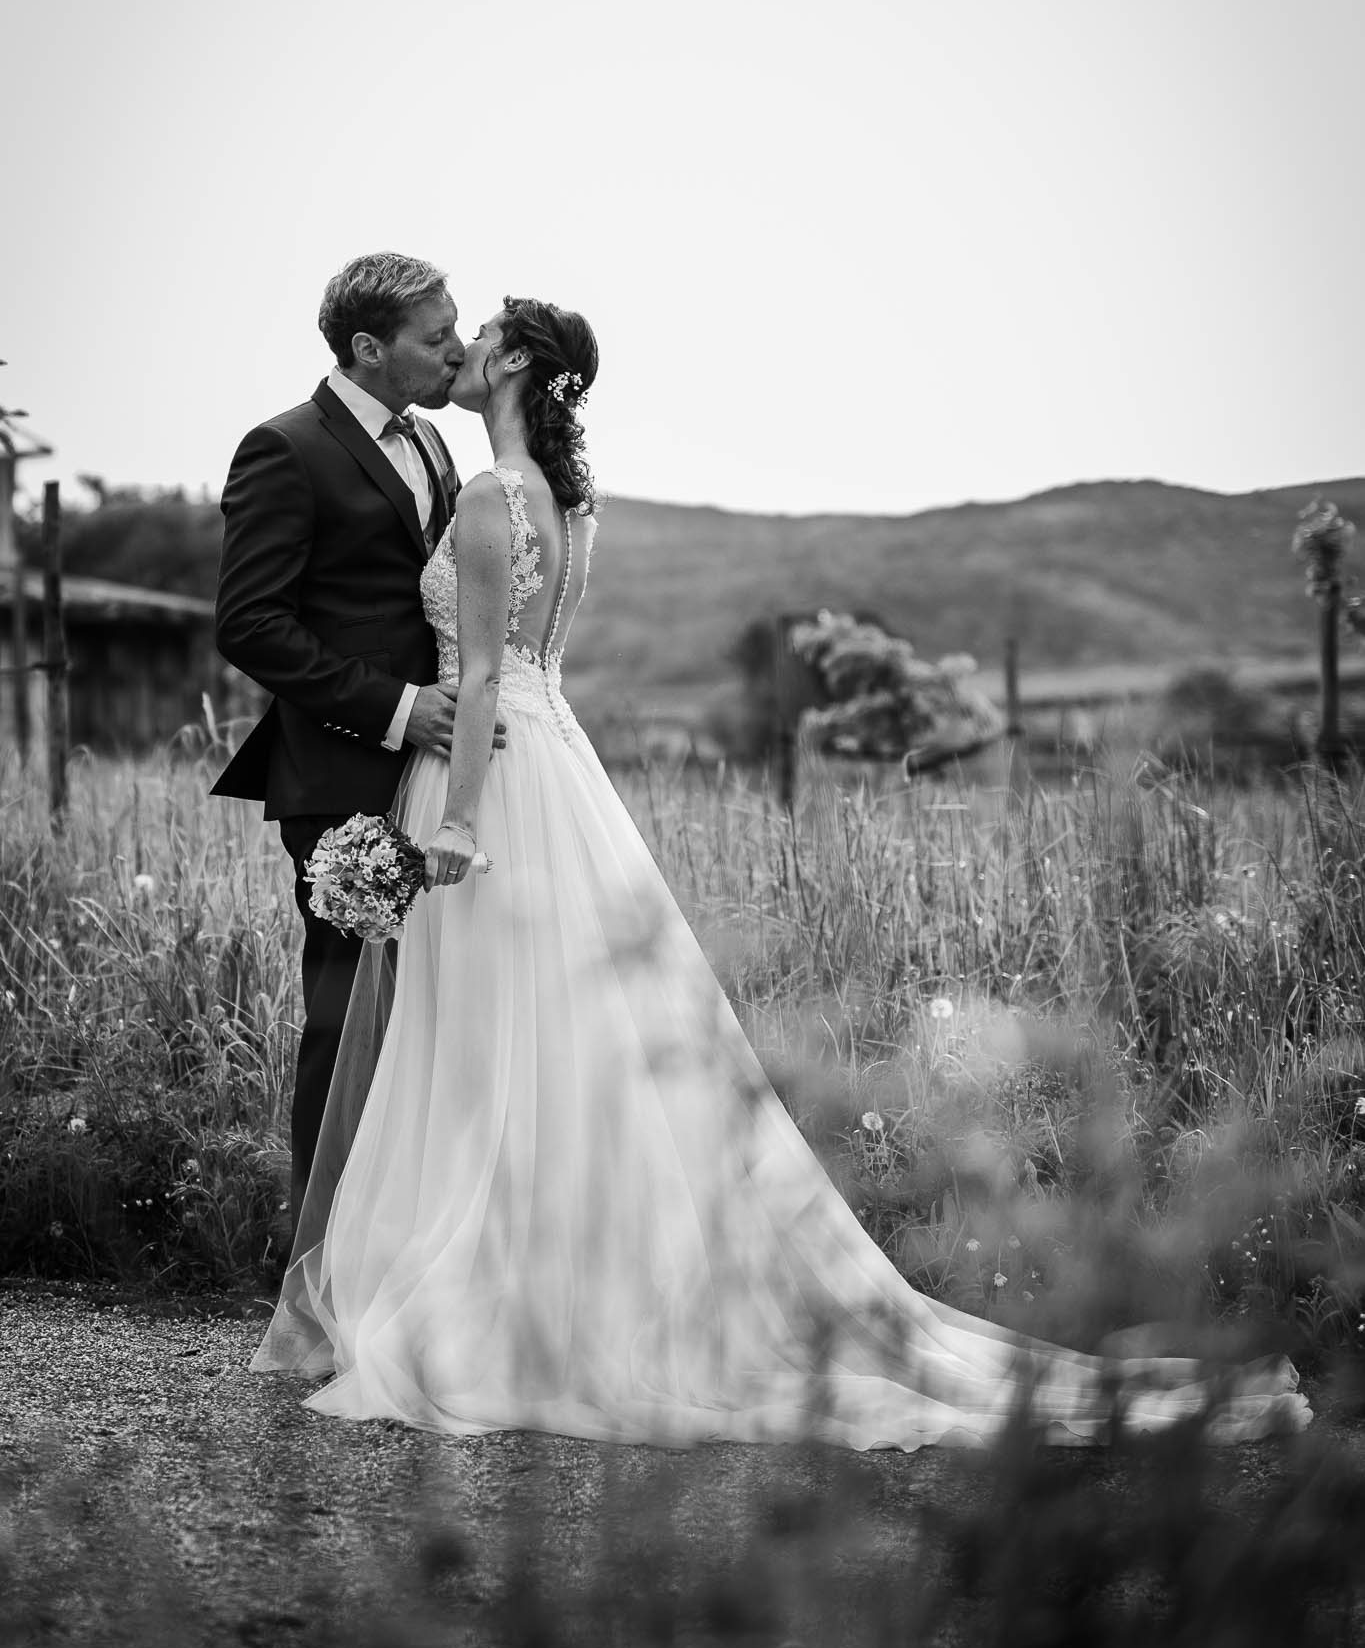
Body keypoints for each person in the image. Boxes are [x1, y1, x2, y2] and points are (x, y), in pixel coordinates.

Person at [252, 296, 1310, 1451]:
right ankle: (532, 1273)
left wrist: (453, 823)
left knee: (494, 1037)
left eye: (476, 333)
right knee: (543, 1037)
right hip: (557, 770)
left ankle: (507, 1295)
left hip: (492, 778)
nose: (457, 349)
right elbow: (528, 670)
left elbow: (492, 677)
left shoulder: (492, 495)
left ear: (511, 361)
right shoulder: (565, 499)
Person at [213, 251, 480, 1234]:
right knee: (345, 1015)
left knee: (428, 1018)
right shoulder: (285, 448)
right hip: (341, 776)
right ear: (370, 348)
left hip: (435, 780)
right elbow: (250, 623)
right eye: (437, 334)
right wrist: (400, 708)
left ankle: (412, 1248)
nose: (457, 346)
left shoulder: (435, 447)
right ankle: (317, 1265)